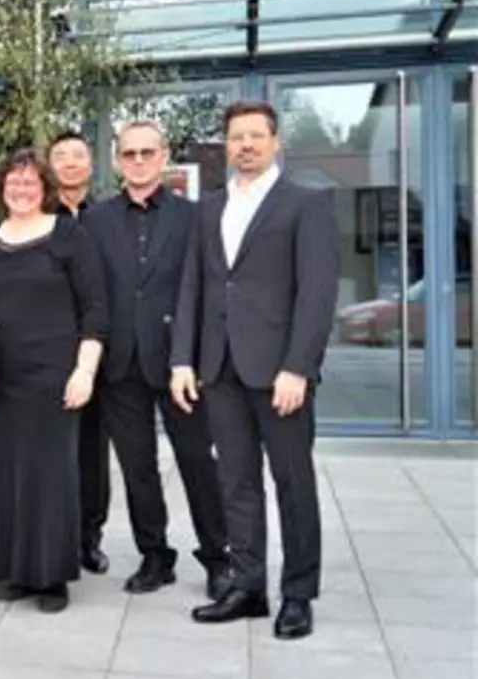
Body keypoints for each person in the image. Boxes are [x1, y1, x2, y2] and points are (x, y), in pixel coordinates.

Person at [171, 99, 341, 641]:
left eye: (255, 136)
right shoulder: (209, 207)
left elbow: (317, 294)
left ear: (275, 143)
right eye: (235, 137)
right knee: (236, 482)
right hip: (218, 368)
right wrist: (183, 359)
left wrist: (299, 366)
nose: (244, 145)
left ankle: (298, 594)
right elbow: (194, 286)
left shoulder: (305, 205)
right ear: (225, 145)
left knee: (293, 484)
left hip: (279, 374)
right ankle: (248, 587)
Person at [86, 121, 230, 597]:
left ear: (164, 154)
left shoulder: (196, 216)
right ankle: (155, 556)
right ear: (117, 160)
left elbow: (209, 290)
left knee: (196, 461)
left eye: (148, 152)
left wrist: (198, 357)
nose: (139, 161)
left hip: (179, 363)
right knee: (137, 467)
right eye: (130, 153)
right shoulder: (96, 220)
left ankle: (218, 558)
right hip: (121, 362)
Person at [0, 149, 109, 613]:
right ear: (1, 189)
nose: (22, 189)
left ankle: (51, 577)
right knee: (5, 471)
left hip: (54, 372)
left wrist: (85, 370)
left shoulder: (69, 235)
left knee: (51, 474)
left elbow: (95, 310)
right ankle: (13, 569)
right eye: (14, 182)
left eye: (31, 182)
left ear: (44, 188)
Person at [49, 131, 111, 576]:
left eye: (78, 156)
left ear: (91, 164)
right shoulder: (36, 216)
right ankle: (54, 535)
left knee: (91, 450)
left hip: (98, 351)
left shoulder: (108, 218)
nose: (70, 163)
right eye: (60, 157)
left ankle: (90, 536)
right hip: (44, 351)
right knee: (51, 452)